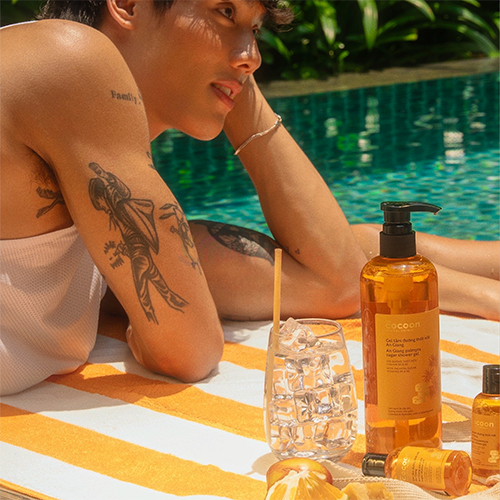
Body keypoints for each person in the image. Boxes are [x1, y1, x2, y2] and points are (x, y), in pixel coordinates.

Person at [0, 0, 498, 396]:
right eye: (224, 12)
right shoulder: (67, 57)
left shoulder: (79, 127)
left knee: (366, 244)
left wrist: (232, 79)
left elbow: (336, 274)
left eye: (255, 29)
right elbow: (191, 351)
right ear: (128, 4)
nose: (252, 56)